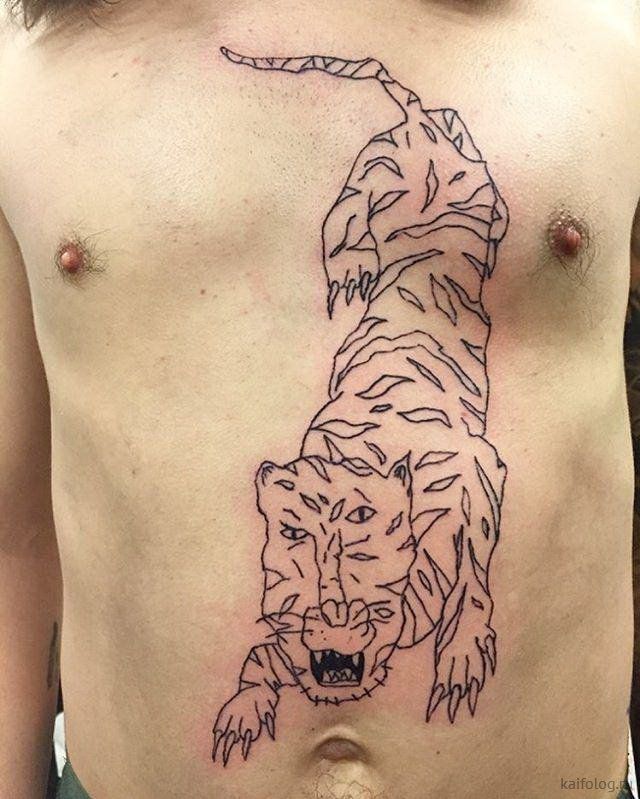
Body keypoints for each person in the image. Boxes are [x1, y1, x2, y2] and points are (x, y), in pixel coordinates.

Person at [1, 1, 639, 797]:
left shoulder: (609, 37)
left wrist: (469, 610)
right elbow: (16, 535)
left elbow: (485, 466)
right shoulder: (25, 68)